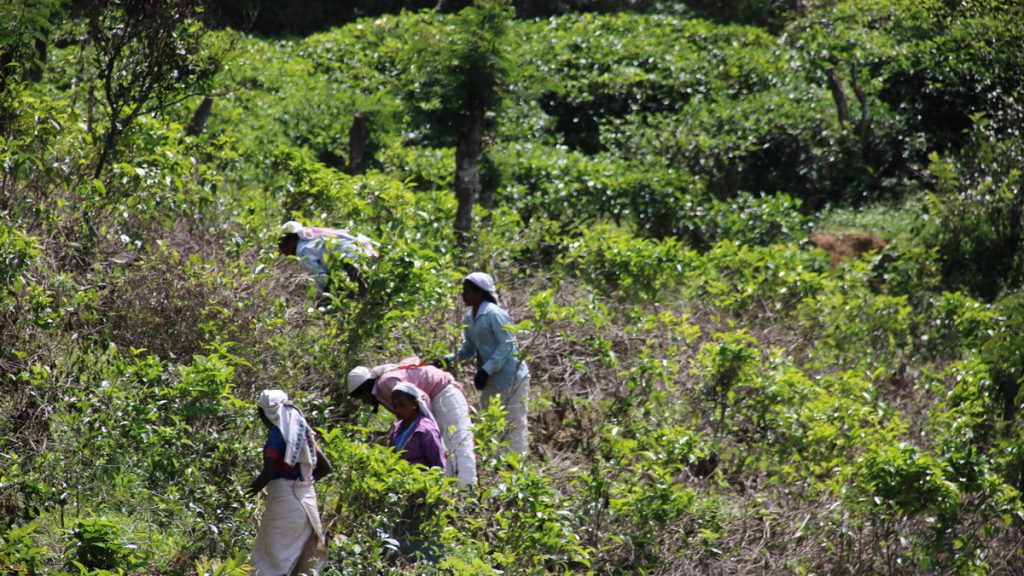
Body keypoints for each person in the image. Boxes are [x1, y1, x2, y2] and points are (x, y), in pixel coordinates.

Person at [435, 272, 530, 456]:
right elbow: (468, 349)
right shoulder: (469, 317)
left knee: (514, 422)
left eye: (467, 291)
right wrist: (446, 360)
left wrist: (485, 370)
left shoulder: (494, 313)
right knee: (488, 420)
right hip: (492, 378)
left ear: (480, 293)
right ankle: (493, 462)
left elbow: (507, 345)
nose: (463, 295)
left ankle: (516, 465)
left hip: (511, 376)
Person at [348, 357, 477, 486]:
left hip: (445, 395)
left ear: (365, 389)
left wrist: (428, 428)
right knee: (446, 450)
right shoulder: (381, 391)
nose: (363, 401)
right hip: (435, 398)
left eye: (361, 396)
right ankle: (452, 492)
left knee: (458, 443)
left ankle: (466, 492)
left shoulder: (386, 383)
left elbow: (422, 398)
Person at [248, 390, 327, 576]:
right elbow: (325, 467)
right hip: (306, 504)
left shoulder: (277, 434)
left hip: (285, 507)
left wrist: (246, 492)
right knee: (296, 561)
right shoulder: (303, 431)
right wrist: (302, 485)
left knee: (269, 562)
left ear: (265, 413)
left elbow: (267, 473)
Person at [278, 221, 377, 295]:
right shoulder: (315, 237)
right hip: (365, 254)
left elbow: (322, 279)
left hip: (351, 261)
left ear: (291, 240)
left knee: (362, 294)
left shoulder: (303, 251)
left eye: (281, 245)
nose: (281, 251)